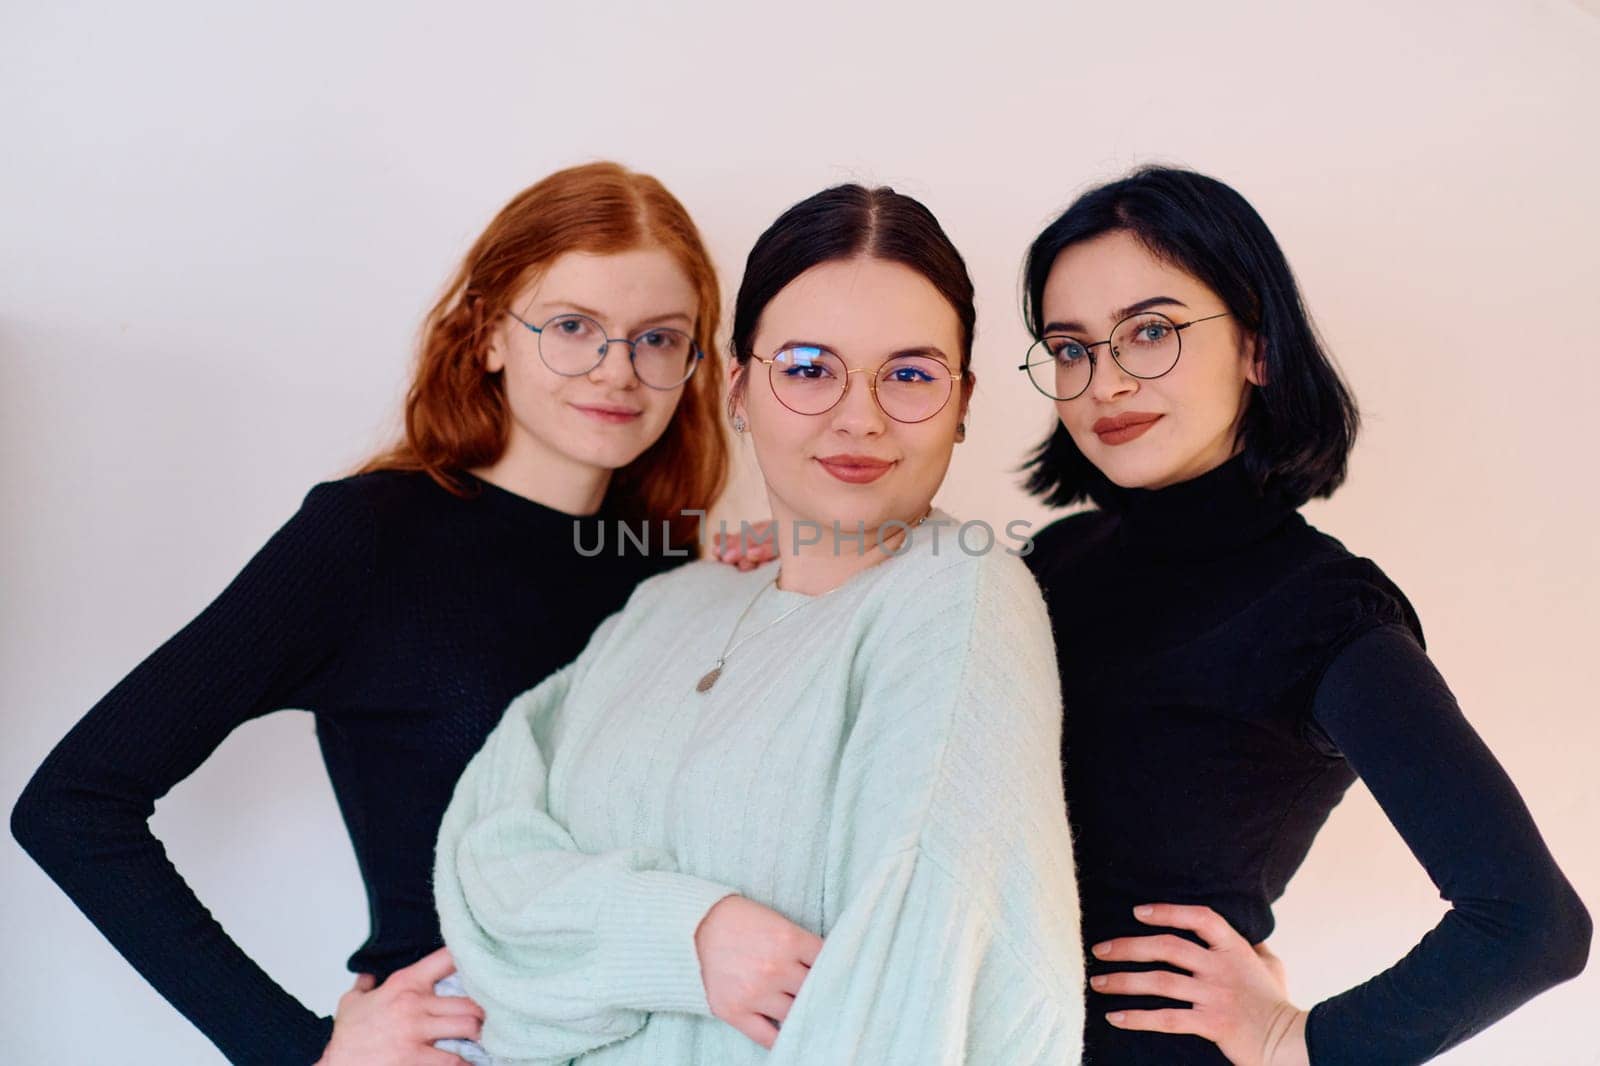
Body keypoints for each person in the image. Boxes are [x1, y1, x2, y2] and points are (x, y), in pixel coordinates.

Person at [10, 160, 729, 1066]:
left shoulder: (669, 566)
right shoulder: (371, 539)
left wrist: (755, 609)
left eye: (659, 338)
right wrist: (299, 1051)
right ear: (490, 335)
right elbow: (71, 805)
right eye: (574, 326)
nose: (617, 370)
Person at [431, 184, 1085, 1065]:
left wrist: (574, 973)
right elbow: (482, 862)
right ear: (740, 389)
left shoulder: (959, 596)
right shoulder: (671, 602)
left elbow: (907, 1013)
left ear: (964, 403)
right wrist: (681, 936)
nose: (861, 417)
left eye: (912, 374)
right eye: (811, 368)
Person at [1016, 165, 1591, 1065]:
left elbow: (1532, 923)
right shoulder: (1052, 559)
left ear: (1258, 347)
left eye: (1152, 331)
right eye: (1071, 347)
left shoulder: (1324, 613)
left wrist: (1296, 1039)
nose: (1106, 381)